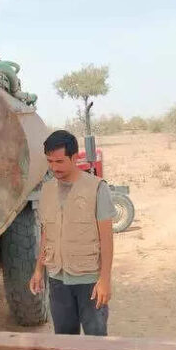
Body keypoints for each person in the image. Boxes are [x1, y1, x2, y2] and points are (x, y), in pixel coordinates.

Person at [29, 130, 115, 335]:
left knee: (96, 343)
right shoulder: (47, 190)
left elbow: (107, 240)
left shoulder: (97, 189)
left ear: (74, 158)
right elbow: (46, 234)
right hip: (58, 281)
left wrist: (104, 280)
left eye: (59, 161)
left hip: (89, 282)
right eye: (49, 161)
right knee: (65, 343)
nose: (53, 167)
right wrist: (39, 270)